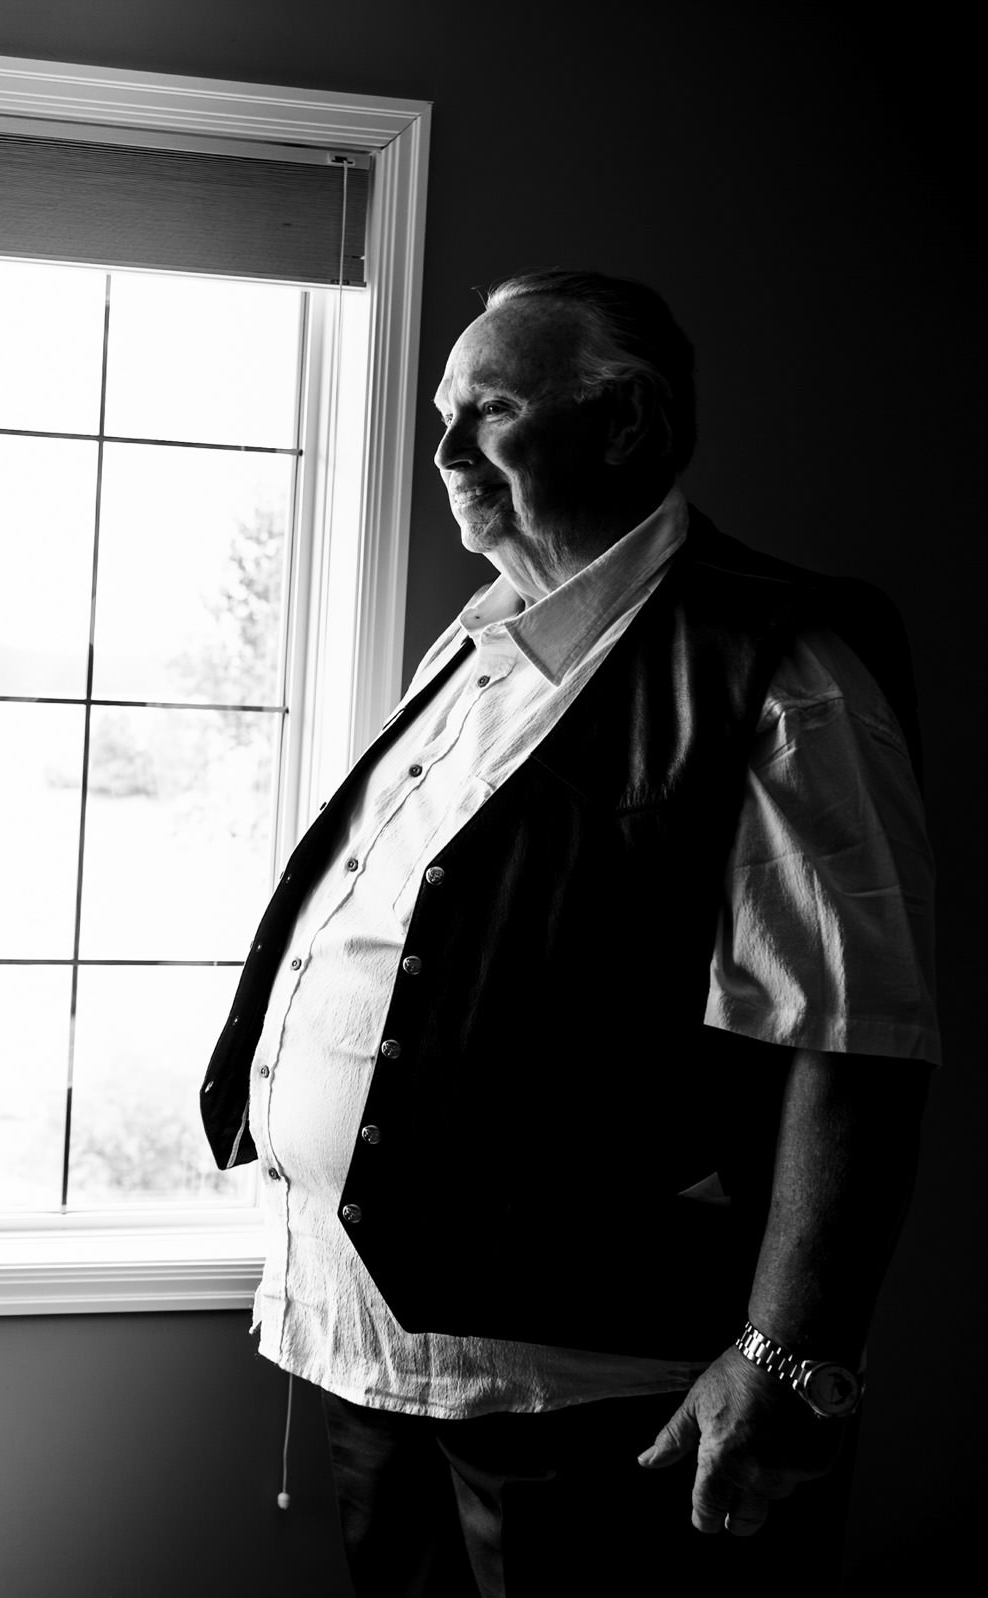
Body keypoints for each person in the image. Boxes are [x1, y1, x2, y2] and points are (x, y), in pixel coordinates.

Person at [201, 271, 934, 1594]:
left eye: (489, 413)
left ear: (628, 426)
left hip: (587, 1396)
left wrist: (783, 1364)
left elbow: (856, 1046)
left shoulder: (784, 673)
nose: (442, 452)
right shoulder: (479, 639)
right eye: (440, 414)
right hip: (371, 1348)